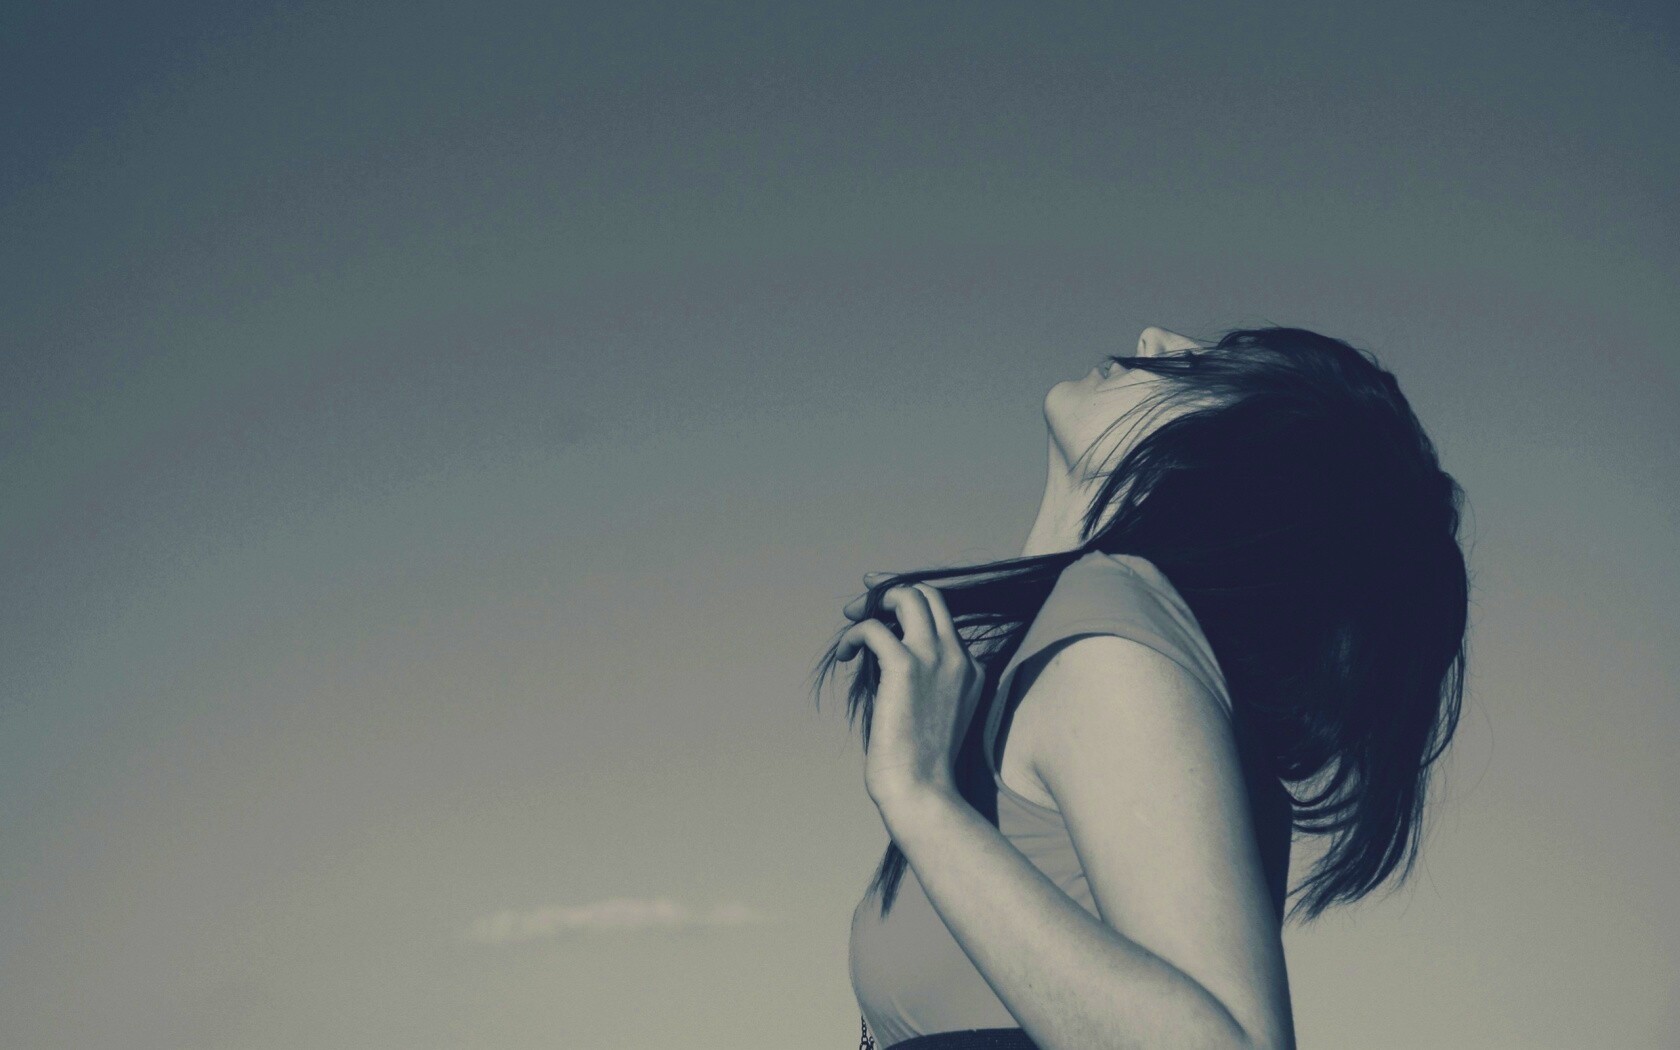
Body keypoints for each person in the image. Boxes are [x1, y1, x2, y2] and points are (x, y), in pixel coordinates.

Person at [812, 325, 1471, 1050]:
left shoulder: (1112, 627)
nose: (1156, 339)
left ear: (1229, 464)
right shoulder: (1070, 643)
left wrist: (921, 800)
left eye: (1207, 366)